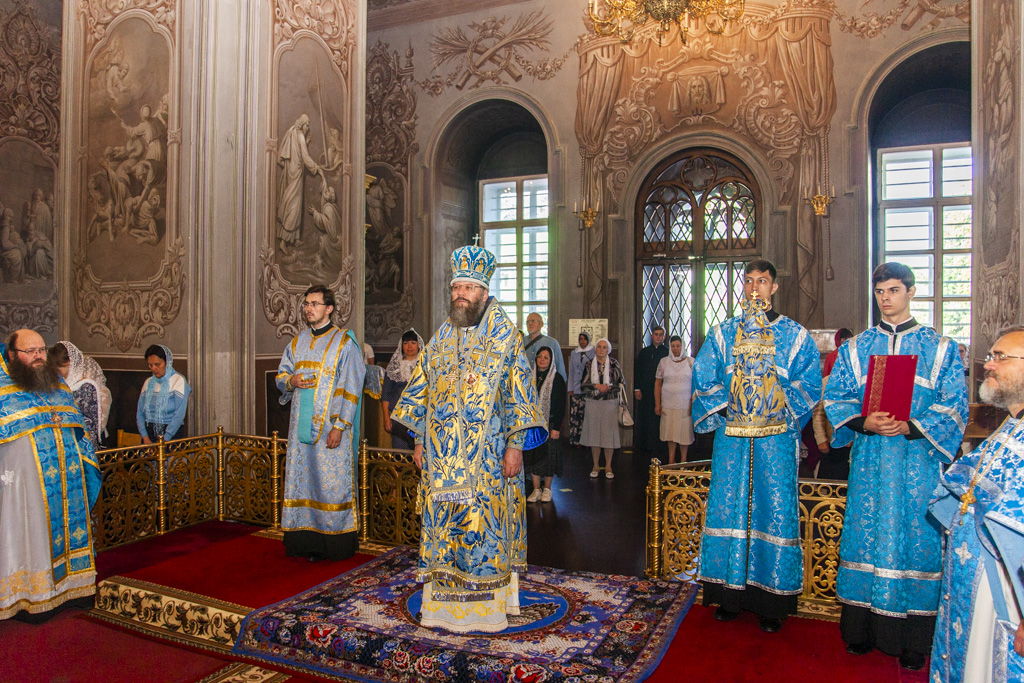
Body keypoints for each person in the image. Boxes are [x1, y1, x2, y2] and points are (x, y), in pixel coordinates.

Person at [390, 245, 545, 633]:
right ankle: (442, 608)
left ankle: (487, 609)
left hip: (489, 459)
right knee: (444, 527)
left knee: (484, 529)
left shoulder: (506, 339)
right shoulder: (441, 337)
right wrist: (419, 441)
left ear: (485, 293)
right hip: (442, 460)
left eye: (468, 288)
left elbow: (519, 397)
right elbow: (420, 392)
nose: (460, 293)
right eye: (456, 286)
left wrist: (515, 447)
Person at [824, 262, 968, 671]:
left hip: (916, 464)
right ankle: (861, 632)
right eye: (880, 292)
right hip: (870, 461)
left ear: (910, 291)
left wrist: (912, 426)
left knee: (914, 541)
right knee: (865, 537)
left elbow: (954, 404)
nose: (885, 298)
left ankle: (912, 641)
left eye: (893, 290)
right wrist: (862, 421)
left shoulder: (939, 348)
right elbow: (835, 397)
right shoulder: (857, 347)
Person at [692, 259, 821, 634]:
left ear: (774, 287)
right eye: (748, 281)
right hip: (733, 438)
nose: (753, 288)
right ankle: (729, 596)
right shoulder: (723, 332)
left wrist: (774, 408)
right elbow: (703, 376)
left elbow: (810, 383)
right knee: (730, 508)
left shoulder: (795, 335)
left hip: (776, 438)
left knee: (773, 510)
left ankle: (771, 602)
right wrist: (727, 405)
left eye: (762, 281)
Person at [929, 327, 1024, 682]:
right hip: (978, 580)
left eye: (1001, 357)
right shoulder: (1011, 425)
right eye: (990, 356)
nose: (988, 365)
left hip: (1006, 593)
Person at [0, 329, 101, 622]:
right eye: (30, 351)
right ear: (12, 355)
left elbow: (78, 429)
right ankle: (31, 596)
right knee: (29, 534)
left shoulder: (57, 385)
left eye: (41, 350)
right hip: (21, 489)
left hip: (66, 483)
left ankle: (72, 590)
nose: (38, 356)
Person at [276, 284, 366, 561]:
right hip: (299, 429)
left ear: (329, 308)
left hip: (330, 429)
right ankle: (304, 541)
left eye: (314, 303)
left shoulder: (343, 343)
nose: (308, 308)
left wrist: (340, 426)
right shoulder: (297, 342)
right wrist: (291, 381)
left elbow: (351, 384)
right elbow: (282, 375)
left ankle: (334, 545)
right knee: (303, 481)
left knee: (331, 484)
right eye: (306, 304)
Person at [49, 341, 112, 446]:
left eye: (58, 368)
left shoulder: (86, 387)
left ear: (70, 364)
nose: (55, 373)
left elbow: (90, 427)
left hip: (80, 444)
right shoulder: (58, 384)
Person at [525, 346, 566, 503]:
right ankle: (536, 489)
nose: (542, 359)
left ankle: (547, 489)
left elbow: (560, 405)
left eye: (546, 357)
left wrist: (556, 427)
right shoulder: (529, 377)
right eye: (540, 356)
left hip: (550, 425)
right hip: (533, 424)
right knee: (534, 457)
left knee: (549, 456)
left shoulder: (557, 379)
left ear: (551, 360)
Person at [812, 328, 853, 480]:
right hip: (831, 443)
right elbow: (818, 414)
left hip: (851, 443)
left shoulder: (856, 384)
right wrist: (821, 440)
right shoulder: (826, 383)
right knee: (828, 482)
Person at [580, 338, 624, 479]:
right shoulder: (588, 364)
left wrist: (608, 387)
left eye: (604, 347)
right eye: (599, 346)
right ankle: (595, 465)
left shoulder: (614, 364)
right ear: (595, 349)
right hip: (593, 403)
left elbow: (621, 383)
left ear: (608, 350)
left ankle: (609, 465)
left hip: (610, 403)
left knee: (608, 435)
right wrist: (597, 386)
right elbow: (583, 385)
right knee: (594, 434)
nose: (601, 349)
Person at [136, 344, 190, 443]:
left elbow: (179, 414)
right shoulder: (148, 382)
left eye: (157, 364)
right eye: (150, 365)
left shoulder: (178, 380)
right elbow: (140, 412)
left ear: (167, 362)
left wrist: (166, 438)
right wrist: (145, 436)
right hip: (149, 434)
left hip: (171, 434)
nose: (153, 368)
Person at [655, 335, 694, 464]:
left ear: (682, 346)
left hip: (685, 403)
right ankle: (671, 460)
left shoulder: (691, 362)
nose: (676, 349)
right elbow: (658, 383)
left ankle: (683, 461)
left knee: (684, 433)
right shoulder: (664, 362)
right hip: (668, 403)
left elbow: (696, 385)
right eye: (673, 346)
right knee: (670, 432)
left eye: (678, 346)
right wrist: (657, 404)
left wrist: (693, 402)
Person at [381, 329, 423, 450]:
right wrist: (386, 418)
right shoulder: (394, 367)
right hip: (398, 419)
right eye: (406, 343)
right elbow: (386, 394)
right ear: (401, 345)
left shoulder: (425, 364)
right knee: (400, 453)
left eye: (413, 343)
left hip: (419, 419)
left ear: (419, 344)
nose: (409, 346)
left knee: (420, 457)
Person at [634, 326, 669, 453]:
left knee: (660, 417)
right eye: (656, 334)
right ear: (652, 336)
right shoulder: (644, 352)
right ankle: (644, 446)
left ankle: (660, 445)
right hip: (646, 390)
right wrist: (637, 389)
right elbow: (638, 371)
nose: (658, 337)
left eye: (661, 335)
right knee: (645, 417)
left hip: (663, 391)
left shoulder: (667, 352)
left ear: (664, 337)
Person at [567, 331, 596, 446]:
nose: (582, 341)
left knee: (587, 415)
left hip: (588, 389)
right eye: (580, 339)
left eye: (584, 339)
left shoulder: (593, 352)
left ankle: (588, 441)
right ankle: (576, 439)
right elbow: (572, 371)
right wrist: (570, 388)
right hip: (576, 388)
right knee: (576, 414)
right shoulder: (574, 353)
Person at [522, 312, 566, 382]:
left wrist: (562, 384)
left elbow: (559, 366)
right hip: (525, 383)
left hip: (546, 382)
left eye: (533, 321)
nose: (530, 324)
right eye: (528, 322)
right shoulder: (521, 342)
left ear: (541, 324)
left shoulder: (552, 343)